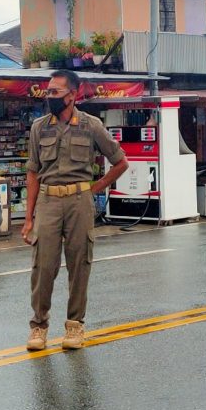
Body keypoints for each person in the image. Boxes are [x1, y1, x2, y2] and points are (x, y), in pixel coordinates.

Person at [22, 69, 128, 351]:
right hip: (48, 201)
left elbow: (120, 162)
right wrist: (28, 218)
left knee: (80, 264)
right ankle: (39, 327)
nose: (49, 96)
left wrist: (96, 187)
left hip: (79, 201)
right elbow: (32, 173)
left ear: (72, 95)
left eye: (55, 92)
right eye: (47, 91)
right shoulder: (39, 127)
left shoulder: (91, 125)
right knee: (43, 266)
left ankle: (75, 326)